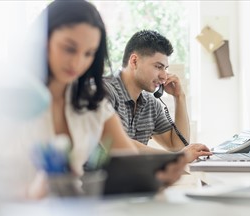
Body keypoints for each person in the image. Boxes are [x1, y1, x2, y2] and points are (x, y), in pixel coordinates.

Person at [14, 0, 190, 199]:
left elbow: (129, 160)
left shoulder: (92, 101)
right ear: (43, 40)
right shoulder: (12, 97)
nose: (78, 62)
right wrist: (31, 194)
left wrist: (156, 179)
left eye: (89, 53)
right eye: (69, 48)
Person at [103, 30, 212, 162]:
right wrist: (177, 157)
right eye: (158, 67)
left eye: (165, 68)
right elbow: (116, 145)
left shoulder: (150, 103)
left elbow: (177, 145)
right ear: (134, 61)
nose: (164, 76)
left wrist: (179, 97)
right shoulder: (104, 91)